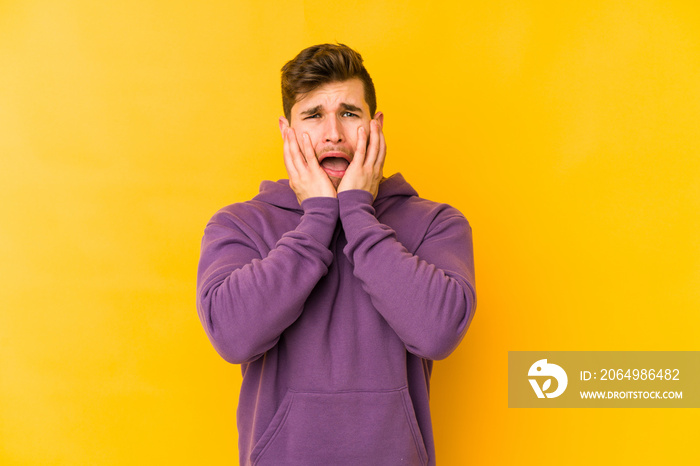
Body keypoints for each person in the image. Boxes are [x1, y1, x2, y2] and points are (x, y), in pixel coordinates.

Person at [196, 43, 476, 466]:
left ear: (375, 125)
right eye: (313, 115)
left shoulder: (436, 223)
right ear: (287, 132)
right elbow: (233, 337)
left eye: (349, 113)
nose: (333, 134)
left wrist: (358, 214)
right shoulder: (240, 225)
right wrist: (319, 217)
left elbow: (438, 332)